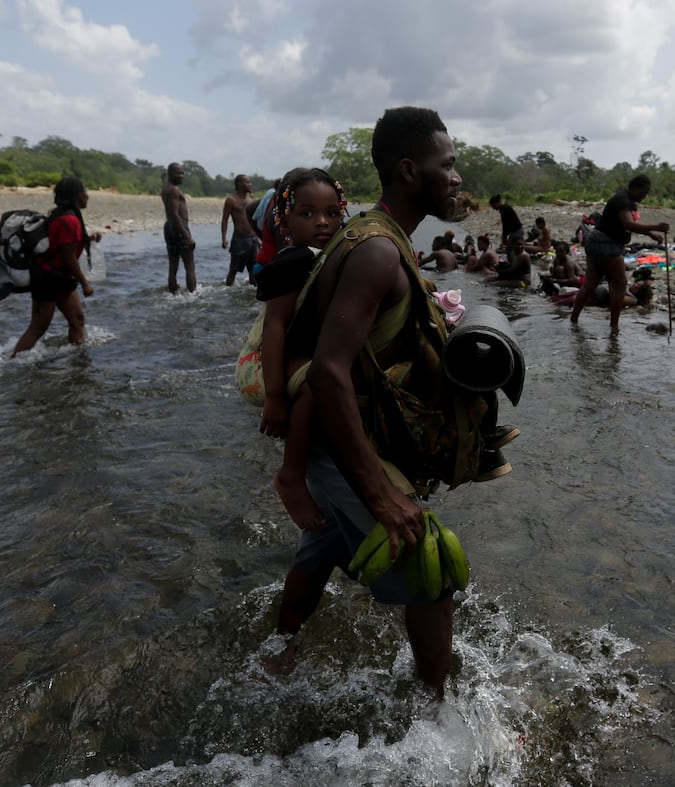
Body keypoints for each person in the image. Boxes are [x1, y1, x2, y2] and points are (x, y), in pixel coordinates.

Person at [271, 107, 489, 695]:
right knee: (427, 561)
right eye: (449, 165)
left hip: (329, 441)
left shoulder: (380, 237)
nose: (458, 177)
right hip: (335, 444)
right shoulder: (376, 253)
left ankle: (274, 654)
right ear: (411, 170)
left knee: (322, 548)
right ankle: (438, 717)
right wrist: (381, 494)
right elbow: (329, 374)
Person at [239, 168, 348, 529]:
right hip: (262, 364)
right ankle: (290, 476)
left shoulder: (325, 253)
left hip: (292, 355)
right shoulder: (294, 260)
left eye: (332, 213)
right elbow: (274, 327)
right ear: (285, 219)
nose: (322, 222)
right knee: (319, 381)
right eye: (307, 213)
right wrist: (274, 397)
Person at [12, 177, 101, 356]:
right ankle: (11, 364)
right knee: (38, 328)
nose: (88, 196)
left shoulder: (64, 215)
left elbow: (61, 246)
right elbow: (69, 258)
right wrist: (85, 284)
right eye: (85, 191)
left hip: (59, 277)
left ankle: (78, 362)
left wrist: (88, 239)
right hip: (48, 278)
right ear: (77, 195)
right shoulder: (69, 220)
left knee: (77, 320)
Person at [569, 174, 669, 333]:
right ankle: (614, 328)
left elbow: (630, 224)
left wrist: (650, 233)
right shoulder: (623, 200)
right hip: (607, 243)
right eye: (644, 193)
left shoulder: (626, 199)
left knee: (589, 284)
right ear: (636, 188)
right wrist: (656, 227)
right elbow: (628, 223)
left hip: (596, 240)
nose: (644, 196)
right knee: (619, 284)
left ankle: (573, 320)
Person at [162, 163, 196, 294]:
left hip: (169, 227)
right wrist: (187, 236)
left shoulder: (166, 188)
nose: (181, 176)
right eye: (178, 173)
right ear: (170, 173)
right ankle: (193, 296)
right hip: (178, 226)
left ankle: (173, 293)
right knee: (190, 265)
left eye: (182, 173)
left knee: (173, 264)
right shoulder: (173, 190)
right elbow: (174, 214)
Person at [222, 174, 261, 285]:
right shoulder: (231, 200)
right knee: (233, 270)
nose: (250, 184)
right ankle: (227, 292)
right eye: (247, 182)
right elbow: (224, 219)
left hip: (253, 239)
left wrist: (259, 237)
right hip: (239, 239)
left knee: (254, 270)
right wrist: (224, 238)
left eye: (250, 182)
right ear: (239, 184)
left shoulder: (251, 201)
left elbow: (256, 221)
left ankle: (253, 296)